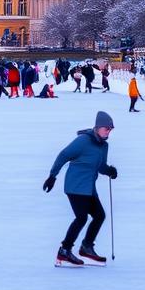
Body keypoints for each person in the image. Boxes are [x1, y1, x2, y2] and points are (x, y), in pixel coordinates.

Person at [43, 111, 118, 267]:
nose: (108, 132)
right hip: (75, 186)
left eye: (110, 129)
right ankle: (65, 250)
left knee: (99, 216)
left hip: (89, 188)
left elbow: (100, 166)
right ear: (98, 127)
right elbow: (63, 155)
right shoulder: (83, 141)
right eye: (106, 128)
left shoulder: (104, 146)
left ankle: (86, 247)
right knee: (81, 218)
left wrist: (109, 171)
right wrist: (52, 176)